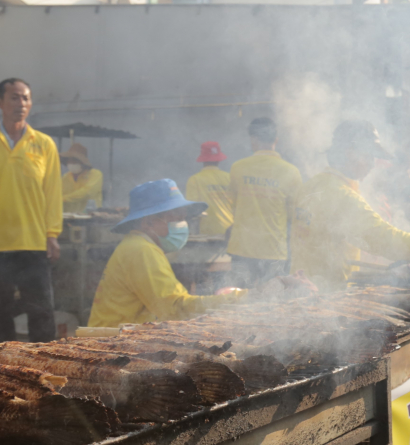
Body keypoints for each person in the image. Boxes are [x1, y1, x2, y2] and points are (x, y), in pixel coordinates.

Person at [88, 178, 311, 326]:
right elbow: (176, 309)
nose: (182, 224)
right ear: (148, 222)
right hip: (110, 344)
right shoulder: (141, 250)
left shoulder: (138, 245)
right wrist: (258, 294)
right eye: (177, 217)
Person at [290, 121, 410, 291]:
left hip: (299, 286)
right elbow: (385, 239)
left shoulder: (311, 186)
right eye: (368, 156)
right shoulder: (342, 195)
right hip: (326, 293)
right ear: (350, 152)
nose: (372, 163)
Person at [0, 78, 63, 343]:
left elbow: (53, 193)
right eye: (14, 98)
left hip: (34, 244)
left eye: (26, 98)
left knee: (41, 315)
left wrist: (52, 234)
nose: (21, 104)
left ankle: (44, 370)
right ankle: (1, 373)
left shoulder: (44, 144)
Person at [227, 118, 302, 287]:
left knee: (239, 298)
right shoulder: (291, 172)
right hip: (274, 251)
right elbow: (293, 215)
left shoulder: (238, 168)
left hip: (242, 249)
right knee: (272, 303)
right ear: (276, 140)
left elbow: (234, 204)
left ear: (253, 140)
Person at [185, 141, 233, 236]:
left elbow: (191, 209)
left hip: (207, 234)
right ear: (219, 159)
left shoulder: (195, 180)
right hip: (230, 232)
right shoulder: (230, 178)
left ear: (203, 159)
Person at [60, 143, 103, 213]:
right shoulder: (65, 177)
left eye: (74, 160)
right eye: (69, 160)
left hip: (91, 216)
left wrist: (63, 198)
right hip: (68, 216)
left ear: (83, 162)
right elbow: (57, 193)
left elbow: (86, 193)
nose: (71, 163)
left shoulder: (95, 174)